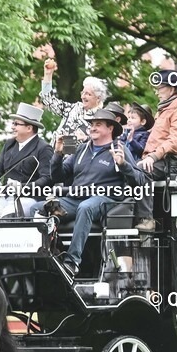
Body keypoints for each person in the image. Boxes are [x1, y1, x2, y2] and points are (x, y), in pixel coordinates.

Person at [30, 109, 145, 275]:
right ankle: (52, 255)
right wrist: (58, 154)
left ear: (110, 128)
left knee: (85, 207)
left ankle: (72, 262)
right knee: (37, 208)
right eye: (91, 124)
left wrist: (123, 165)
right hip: (75, 198)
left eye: (98, 124)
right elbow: (57, 176)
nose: (92, 128)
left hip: (105, 198)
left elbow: (139, 180)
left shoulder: (120, 149)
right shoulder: (81, 149)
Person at [134, 70, 177, 231]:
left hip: (174, 161)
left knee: (142, 170)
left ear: (172, 89)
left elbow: (176, 141)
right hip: (162, 159)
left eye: (160, 88)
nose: (157, 92)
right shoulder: (165, 109)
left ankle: (147, 219)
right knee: (128, 167)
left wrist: (153, 157)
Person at [0, 103, 54, 189]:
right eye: (13, 123)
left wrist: (21, 187)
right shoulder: (9, 144)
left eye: (16, 124)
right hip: (5, 194)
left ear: (29, 128)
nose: (12, 127)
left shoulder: (43, 148)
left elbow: (47, 179)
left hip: (29, 195)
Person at [40, 58, 107, 140]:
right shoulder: (73, 108)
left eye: (88, 94)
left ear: (98, 98)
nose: (83, 97)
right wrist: (48, 74)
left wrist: (85, 138)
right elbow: (48, 100)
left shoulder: (102, 118)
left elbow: (103, 141)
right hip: (56, 148)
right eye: (82, 93)